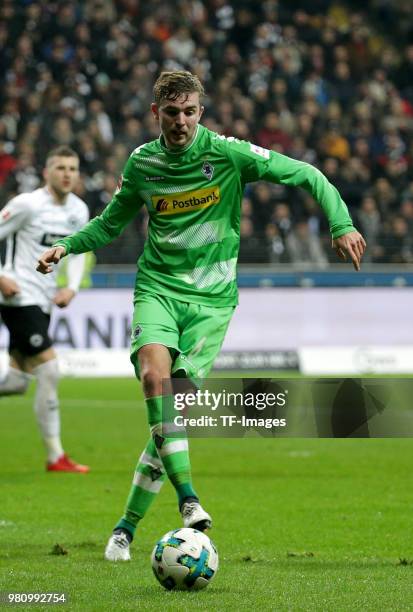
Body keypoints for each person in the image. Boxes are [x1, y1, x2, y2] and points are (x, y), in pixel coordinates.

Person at [37, 71, 366, 560]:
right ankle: (189, 500)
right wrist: (66, 246)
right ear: (157, 114)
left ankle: (125, 528)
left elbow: (308, 174)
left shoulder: (227, 154)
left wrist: (341, 223)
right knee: (155, 380)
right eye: (172, 113)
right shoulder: (143, 164)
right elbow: (110, 224)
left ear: (201, 112)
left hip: (212, 303)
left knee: (173, 416)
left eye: (190, 112)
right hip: (159, 289)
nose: (181, 122)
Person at [0, 145, 90, 473]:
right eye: (61, 168)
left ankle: (56, 457)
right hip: (17, 297)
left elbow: (79, 250)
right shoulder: (27, 204)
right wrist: (1, 278)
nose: (67, 174)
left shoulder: (78, 211)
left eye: (72, 168)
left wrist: (72, 286)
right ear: (47, 172)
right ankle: (56, 456)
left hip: (43, 298)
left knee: (16, 381)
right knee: (49, 370)